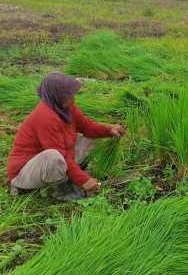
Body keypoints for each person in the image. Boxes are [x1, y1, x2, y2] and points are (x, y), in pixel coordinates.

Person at [7, 72, 125, 202]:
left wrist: (109, 129)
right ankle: (59, 189)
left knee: (91, 138)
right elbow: (61, 155)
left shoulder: (66, 108)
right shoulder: (45, 118)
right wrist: (83, 180)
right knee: (54, 157)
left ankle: (69, 176)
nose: (73, 98)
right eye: (68, 95)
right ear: (57, 96)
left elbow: (88, 127)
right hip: (25, 173)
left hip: (56, 160)